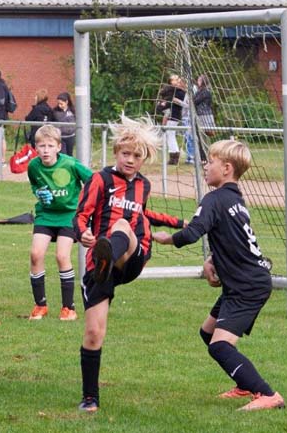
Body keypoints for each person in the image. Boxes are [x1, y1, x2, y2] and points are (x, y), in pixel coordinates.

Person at [153, 139, 284, 411]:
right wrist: (213, 259)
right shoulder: (235, 199)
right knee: (207, 333)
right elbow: (232, 238)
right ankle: (244, 385)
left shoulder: (214, 199)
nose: (205, 165)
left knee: (220, 346)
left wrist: (166, 239)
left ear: (226, 168)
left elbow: (192, 233)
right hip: (245, 282)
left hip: (246, 286)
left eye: (210, 161)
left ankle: (267, 394)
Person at [72, 116, 186, 412]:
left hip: (133, 256)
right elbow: (81, 215)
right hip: (99, 267)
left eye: (137, 156)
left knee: (123, 225)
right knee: (94, 333)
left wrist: (180, 224)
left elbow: (144, 215)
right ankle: (90, 398)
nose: (130, 160)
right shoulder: (100, 180)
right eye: (126, 153)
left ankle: (108, 256)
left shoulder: (143, 186)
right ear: (116, 151)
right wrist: (83, 234)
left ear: (144, 158)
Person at [26, 125, 92, 321]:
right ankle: (40, 305)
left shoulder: (70, 164)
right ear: (36, 148)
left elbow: (93, 181)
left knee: (62, 256)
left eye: (50, 146)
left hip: (69, 216)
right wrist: (39, 193)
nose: (46, 150)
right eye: (41, 146)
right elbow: (35, 184)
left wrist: (87, 206)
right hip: (45, 215)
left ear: (58, 147)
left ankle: (68, 308)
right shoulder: (33, 166)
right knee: (35, 254)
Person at [156, 75, 186, 165]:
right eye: (175, 80)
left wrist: (165, 103)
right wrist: (162, 104)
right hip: (170, 114)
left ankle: (174, 156)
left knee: (170, 134)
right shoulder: (171, 90)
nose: (177, 81)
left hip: (174, 114)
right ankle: (173, 156)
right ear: (170, 82)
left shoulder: (180, 91)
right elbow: (165, 98)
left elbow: (174, 101)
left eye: (178, 80)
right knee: (170, 134)